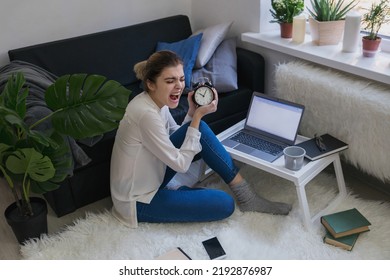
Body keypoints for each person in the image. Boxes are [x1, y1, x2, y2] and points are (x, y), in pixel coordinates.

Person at [110, 50, 291, 228]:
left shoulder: (157, 102)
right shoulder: (145, 114)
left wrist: (191, 113)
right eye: (170, 81)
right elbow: (181, 165)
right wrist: (197, 117)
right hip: (137, 200)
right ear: (151, 84)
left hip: (153, 176)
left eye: (181, 79)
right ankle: (186, 198)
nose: (179, 86)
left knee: (200, 128)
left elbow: (176, 135)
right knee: (225, 204)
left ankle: (247, 197)